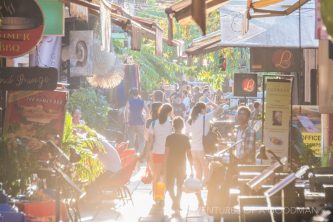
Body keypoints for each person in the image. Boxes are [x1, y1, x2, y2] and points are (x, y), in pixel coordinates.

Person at [186, 102, 224, 207]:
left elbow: (186, 134)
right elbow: (220, 109)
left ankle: (199, 200)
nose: (206, 110)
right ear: (202, 109)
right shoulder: (205, 117)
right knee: (208, 175)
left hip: (193, 149)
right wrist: (212, 103)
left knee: (198, 175)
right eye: (205, 109)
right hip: (203, 150)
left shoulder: (190, 120)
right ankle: (206, 194)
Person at [164, 117, 193, 211]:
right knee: (180, 185)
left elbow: (166, 153)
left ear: (173, 126)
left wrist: (163, 167)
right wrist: (191, 168)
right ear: (183, 126)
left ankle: (174, 201)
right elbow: (189, 154)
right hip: (182, 164)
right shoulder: (185, 138)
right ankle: (177, 202)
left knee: (169, 185)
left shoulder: (169, 138)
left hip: (170, 164)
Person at [148, 103, 173, 204]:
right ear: (169, 112)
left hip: (156, 152)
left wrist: (147, 154)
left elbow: (150, 140)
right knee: (164, 176)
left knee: (156, 176)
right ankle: (161, 195)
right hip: (167, 153)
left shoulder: (153, 123)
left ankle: (156, 196)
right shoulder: (171, 123)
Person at [125, 88, 148, 155]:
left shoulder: (129, 101)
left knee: (131, 140)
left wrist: (126, 120)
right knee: (141, 140)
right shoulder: (142, 101)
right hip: (140, 122)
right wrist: (145, 119)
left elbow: (126, 111)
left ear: (131, 94)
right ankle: (139, 154)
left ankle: (132, 155)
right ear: (138, 94)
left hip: (131, 122)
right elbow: (148, 111)